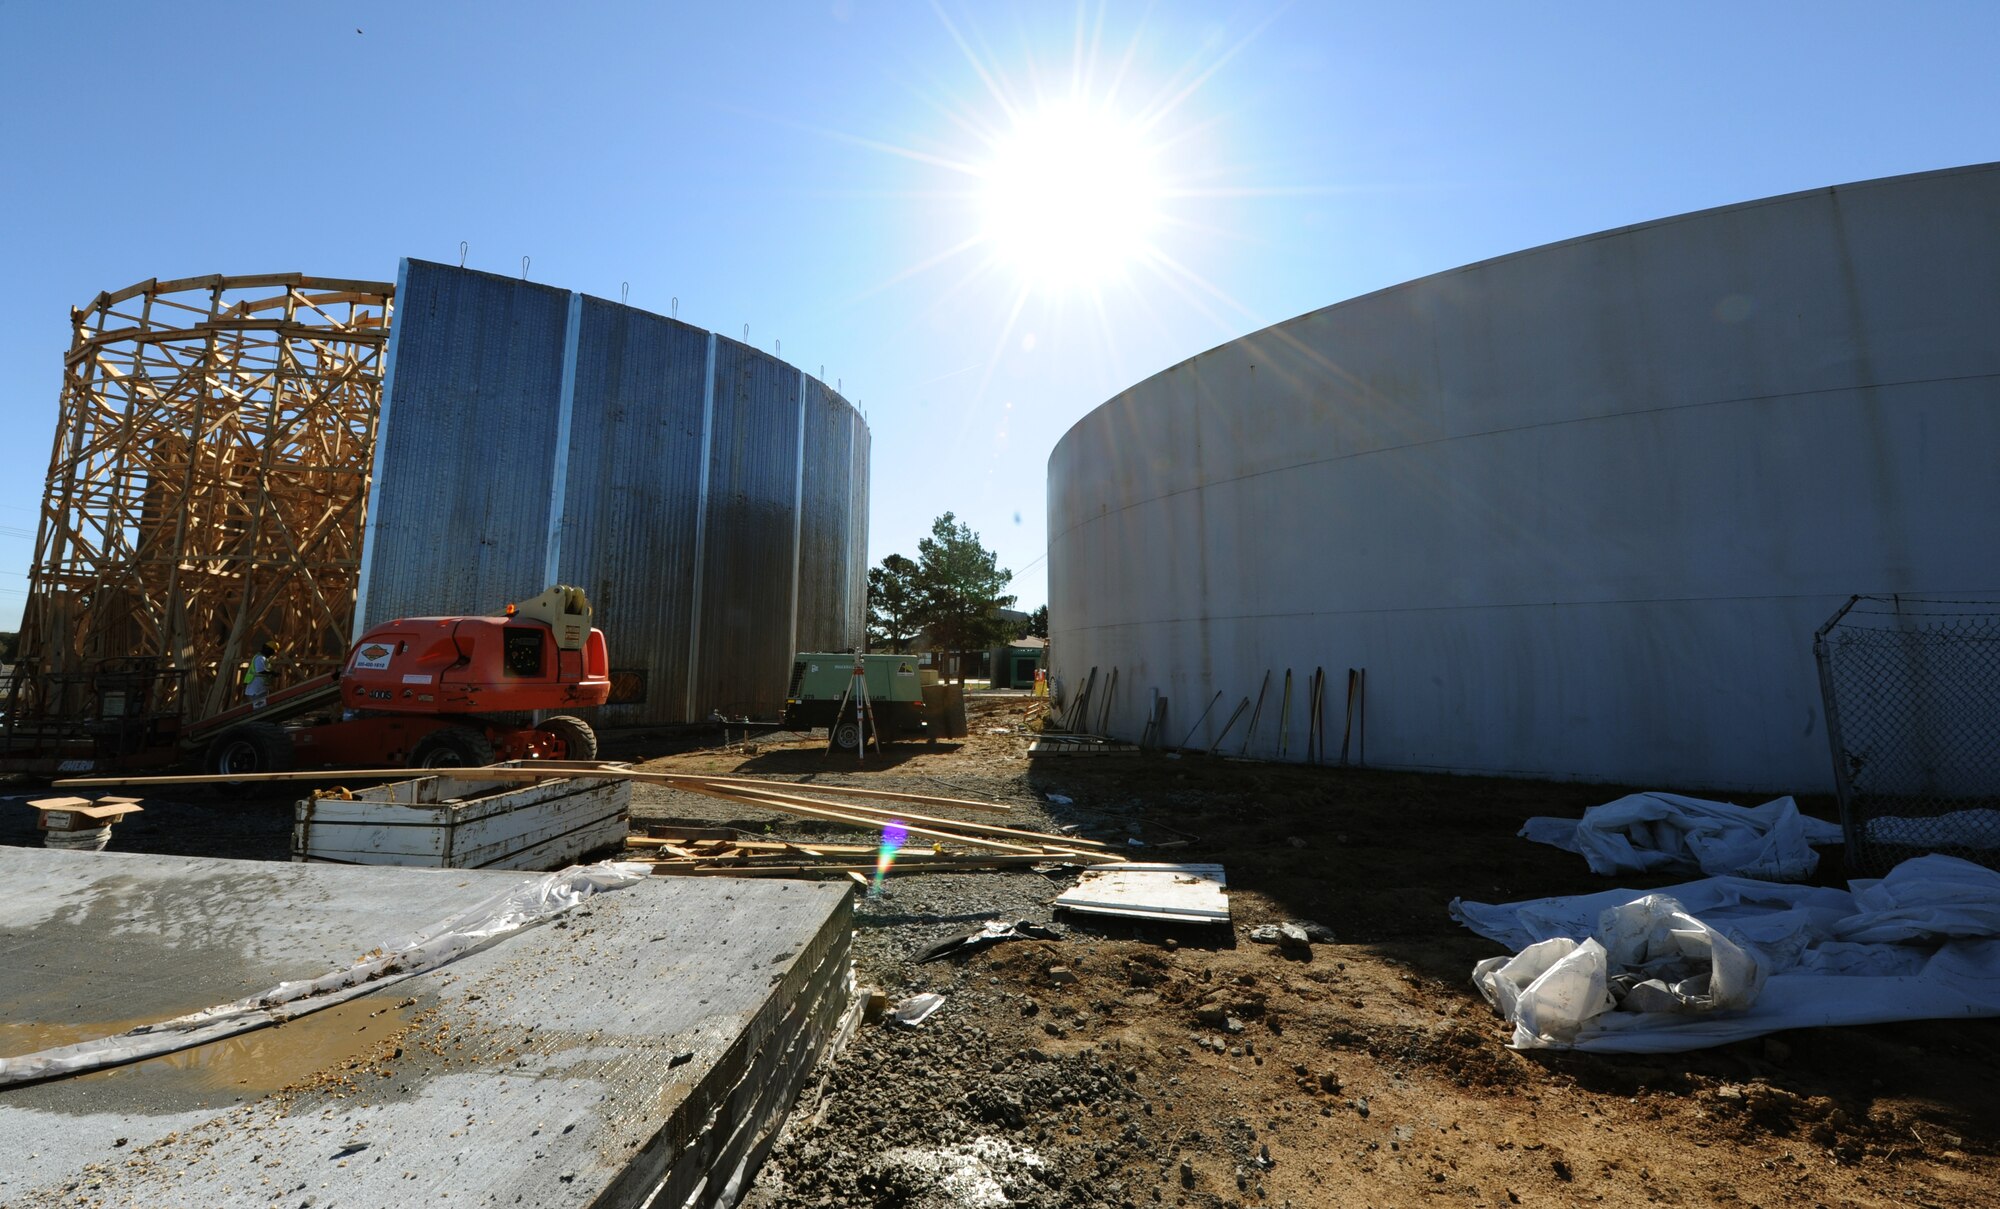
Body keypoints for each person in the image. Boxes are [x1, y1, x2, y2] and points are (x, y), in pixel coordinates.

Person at [242, 642, 276, 709]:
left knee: (260, 709)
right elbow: (260, 671)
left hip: (259, 689)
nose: (272, 655)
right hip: (256, 690)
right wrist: (272, 673)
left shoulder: (264, 659)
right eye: (272, 652)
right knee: (258, 710)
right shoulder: (260, 658)